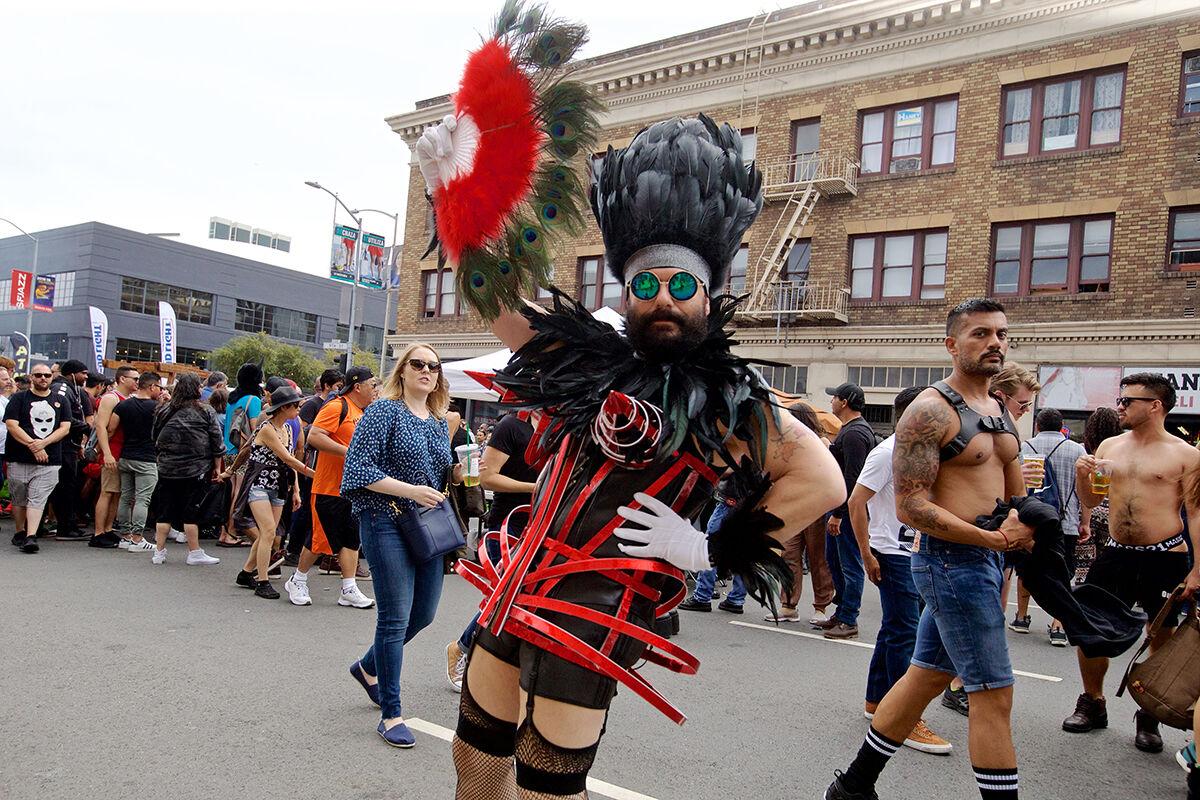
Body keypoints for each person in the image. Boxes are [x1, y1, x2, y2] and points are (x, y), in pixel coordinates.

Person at [419, 109, 844, 794]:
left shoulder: (729, 397)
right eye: (647, 286)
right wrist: (450, 191)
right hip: (517, 583)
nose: (664, 299)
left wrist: (705, 548)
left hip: (595, 607)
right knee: (474, 759)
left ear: (709, 296)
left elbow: (822, 481)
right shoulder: (586, 359)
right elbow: (497, 297)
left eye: (682, 285)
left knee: (544, 789)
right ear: (626, 294)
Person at [826, 298, 1035, 800]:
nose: (995, 343)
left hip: (986, 559)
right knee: (994, 693)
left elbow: (1013, 492)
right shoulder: (929, 411)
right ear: (952, 345)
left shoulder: (999, 411)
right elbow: (911, 507)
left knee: (925, 677)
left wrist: (1027, 520)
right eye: (980, 334)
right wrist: (991, 537)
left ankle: (854, 786)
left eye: (1002, 334)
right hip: (950, 562)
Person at [1063, 373, 1200, 754]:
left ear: (1155, 406)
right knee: (1091, 629)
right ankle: (1093, 702)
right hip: (1117, 553)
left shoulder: (1187, 455)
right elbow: (1090, 501)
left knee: (1162, 638)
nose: (1120, 407)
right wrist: (1082, 477)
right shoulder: (1110, 445)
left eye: (1128, 401)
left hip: (1165, 556)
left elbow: (1198, 514)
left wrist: (1197, 569)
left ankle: (1148, 715)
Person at [342, 345, 463, 748]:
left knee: (424, 613)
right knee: (394, 618)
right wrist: (410, 489)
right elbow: (358, 470)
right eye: (419, 364)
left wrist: (461, 471)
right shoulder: (383, 411)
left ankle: (367, 667)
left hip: (425, 525)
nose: (427, 370)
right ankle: (391, 713)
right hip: (383, 520)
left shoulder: (436, 421)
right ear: (404, 370)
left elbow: (440, 476)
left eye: (434, 365)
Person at [847, 385, 951, 755]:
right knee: (906, 633)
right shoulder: (887, 452)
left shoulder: (921, 453)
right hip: (893, 554)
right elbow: (856, 502)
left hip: (915, 552)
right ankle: (902, 719)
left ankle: (878, 703)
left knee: (895, 631)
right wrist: (867, 554)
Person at [445, 410, 537, 692]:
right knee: (506, 599)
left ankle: (503, 667)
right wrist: (537, 488)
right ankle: (461, 648)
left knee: (526, 602)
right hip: (506, 528)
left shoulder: (562, 429)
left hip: (541, 529)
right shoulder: (513, 426)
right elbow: (487, 479)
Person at [283, 366, 375, 608]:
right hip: (328, 486)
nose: (375, 390)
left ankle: (349, 588)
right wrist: (350, 452)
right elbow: (315, 436)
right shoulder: (337, 406)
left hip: (352, 487)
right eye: (372, 385)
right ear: (358, 386)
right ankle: (298, 579)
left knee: (351, 539)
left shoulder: (361, 411)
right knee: (319, 539)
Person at [226, 386, 315, 599]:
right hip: (259, 484)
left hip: (278, 486)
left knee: (270, 533)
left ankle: (246, 572)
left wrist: (296, 489)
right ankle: (262, 581)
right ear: (284, 408)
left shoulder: (287, 428)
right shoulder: (267, 429)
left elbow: (290, 461)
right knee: (267, 532)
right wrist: (314, 475)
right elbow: (288, 458)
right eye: (295, 406)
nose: (299, 409)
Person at [1015, 407, 1085, 646]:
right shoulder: (1077, 450)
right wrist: (1085, 522)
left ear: (1037, 425)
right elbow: (1082, 492)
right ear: (1062, 425)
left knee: (1026, 570)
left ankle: (1021, 617)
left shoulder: (1025, 447)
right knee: (1063, 572)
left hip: (1030, 523)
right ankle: (1058, 625)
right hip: (1065, 523)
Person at [765, 402, 836, 625]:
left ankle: (821, 606)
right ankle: (788, 605)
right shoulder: (787, 443)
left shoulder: (823, 443)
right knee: (789, 556)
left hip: (815, 508)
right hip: (793, 507)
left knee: (818, 558)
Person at [818, 381, 876, 640]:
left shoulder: (855, 434)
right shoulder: (849, 430)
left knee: (849, 565)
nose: (831, 401)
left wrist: (840, 514)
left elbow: (853, 477)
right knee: (835, 562)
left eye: (835, 397)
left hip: (849, 512)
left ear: (845, 402)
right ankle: (841, 612)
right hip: (840, 508)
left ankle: (849, 617)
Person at [146, 373, 223, 566]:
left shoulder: (163, 409)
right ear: (196, 389)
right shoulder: (205, 410)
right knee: (192, 512)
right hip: (196, 468)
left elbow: (154, 436)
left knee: (165, 509)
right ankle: (194, 552)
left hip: (167, 467)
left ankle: (159, 552)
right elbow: (217, 441)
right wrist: (217, 467)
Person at [4, 364, 74, 553]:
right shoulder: (19, 398)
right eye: (39, 375)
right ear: (31, 377)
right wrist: (33, 445)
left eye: (47, 375)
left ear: (52, 377)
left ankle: (31, 536)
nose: (43, 378)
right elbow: (12, 424)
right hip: (19, 458)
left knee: (38, 498)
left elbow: (65, 427)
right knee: (19, 499)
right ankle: (20, 531)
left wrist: (43, 444)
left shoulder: (61, 400)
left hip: (49, 461)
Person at [286, 368, 344, 565]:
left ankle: (323, 554)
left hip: (324, 463)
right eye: (337, 386)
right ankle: (293, 550)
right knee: (306, 510)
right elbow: (301, 431)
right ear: (327, 386)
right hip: (311, 461)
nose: (340, 390)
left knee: (316, 514)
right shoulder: (314, 404)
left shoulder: (337, 404)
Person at [110, 372, 162, 552]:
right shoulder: (157, 408)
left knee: (125, 496)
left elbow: (111, 428)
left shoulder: (123, 405)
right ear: (152, 387)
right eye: (159, 387)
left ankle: (125, 536)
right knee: (142, 499)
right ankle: (137, 538)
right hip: (146, 457)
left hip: (126, 455)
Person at [1072, 407, 1121, 580]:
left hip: (1088, 511)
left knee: (1085, 567)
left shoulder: (1083, 452)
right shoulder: (1120, 451)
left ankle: (1084, 598)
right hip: (1112, 512)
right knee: (1109, 564)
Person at [92, 366, 138, 548]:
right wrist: (107, 454)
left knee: (117, 493)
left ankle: (108, 529)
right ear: (122, 379)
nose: (137, 381)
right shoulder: (110, 398)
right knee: (107, 492)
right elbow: (101, 427)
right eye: (134, 378)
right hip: (112, 451)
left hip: (123, 451)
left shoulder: (128, 399)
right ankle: (98, 532)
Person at [221, 363, 265, 546]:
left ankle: (224, 531)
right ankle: (231, 532)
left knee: (231, 492)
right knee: (239, 493)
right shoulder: (252, 400)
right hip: (243, 451)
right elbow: (256, 428)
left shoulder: (233, 399)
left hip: (229, 450)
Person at [47, 359, 91, 541]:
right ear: (72, 373)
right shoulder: (62, 389)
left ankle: (67, 525)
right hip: (62, 445)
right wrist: (84, 428)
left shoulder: (71, 389)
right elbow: (61, 416)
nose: (86, 377)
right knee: (65, 487)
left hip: (68, 444)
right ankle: (65, 527)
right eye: (83, 373)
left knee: (67, 486)